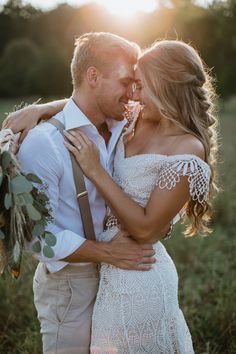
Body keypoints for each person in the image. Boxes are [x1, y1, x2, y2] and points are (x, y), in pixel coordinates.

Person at [4, 33, 165, 354]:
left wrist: (46, 105)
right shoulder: (42, 143)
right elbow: (36, 237)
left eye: (136, 84)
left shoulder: (125, 123)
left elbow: (174, 105)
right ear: (93, 76)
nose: (133, 94)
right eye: (125, 83)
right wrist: (110, 253)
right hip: (69, 289)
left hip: (121, 283)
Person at [58, 40, 218, 353]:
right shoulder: (136, 118)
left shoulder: (187, 149)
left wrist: (96, 172)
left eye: (141, 86)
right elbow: (92, 102)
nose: (134, 95)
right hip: (109, 268)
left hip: (140, 276)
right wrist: (37, 110)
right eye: (132, 85)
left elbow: (146, 229)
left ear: (165, 86)